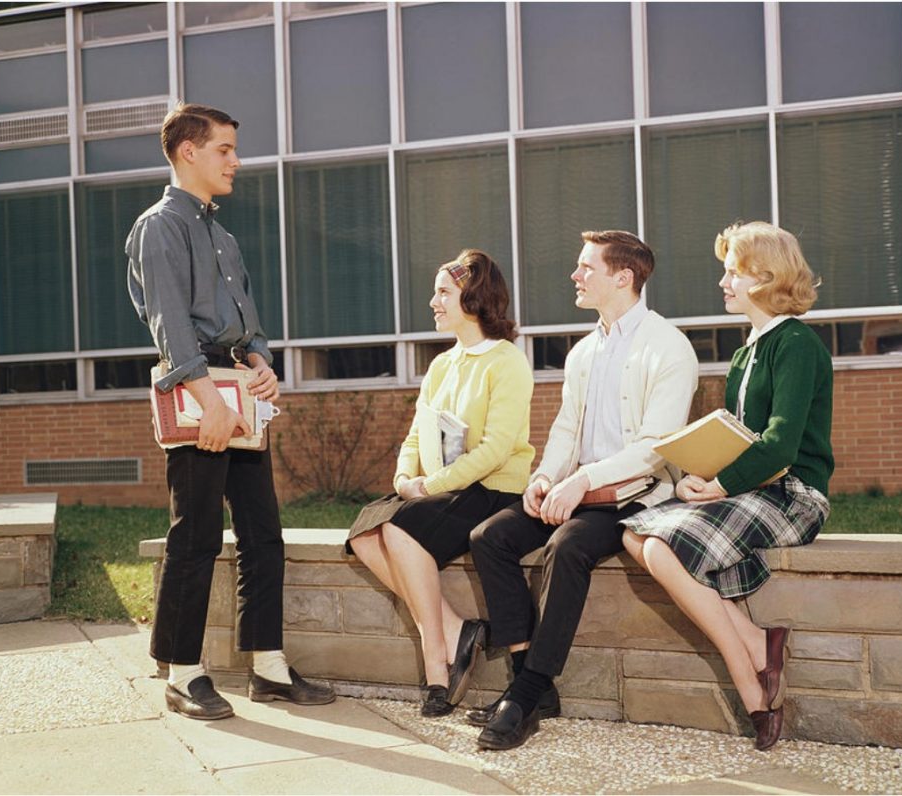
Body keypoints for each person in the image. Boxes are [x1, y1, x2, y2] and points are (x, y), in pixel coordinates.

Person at [127, 102, 335, 720]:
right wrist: (211, 401)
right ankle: (183, 672)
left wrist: (264, 361)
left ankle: (267, 666)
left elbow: (249, 323)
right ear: (188, 152)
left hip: (240, 389)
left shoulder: (223, 235)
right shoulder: (160, 227)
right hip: (200, 395)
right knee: (194, 535)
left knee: (262, 532)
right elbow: (170, 325)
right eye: (224, 150)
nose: (235, 162)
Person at [467, 230, 699, 750]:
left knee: (567, 546)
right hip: (577, 487)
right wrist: (546, 478)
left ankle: (523, 695)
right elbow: (567, 431)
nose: (575, 275)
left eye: (585, 267)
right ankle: (534, 685)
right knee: (490, 538)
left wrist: (581, 481)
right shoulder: (584, 351)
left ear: (624, 277)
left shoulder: (669, 347)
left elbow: (655, 448)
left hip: (633, 497)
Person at [620, 221, 834, 752]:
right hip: (748, 492)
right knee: (632, 535)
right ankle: (759, 644)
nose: (723, 282)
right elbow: (739, 439)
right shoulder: (745, 353)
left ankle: (747, 676)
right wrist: (700, 469)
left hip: (794, 496)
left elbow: (781, 446)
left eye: (732, 272)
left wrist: (717, 485)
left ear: (764, 277)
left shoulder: (797, 344)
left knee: (663, 546)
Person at [347, 250, 534, 717]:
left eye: (443, 293)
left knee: (398, 527)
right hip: (445, 488)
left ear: (473, 298)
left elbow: (495, 449)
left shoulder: (506, 361)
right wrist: (405, 476)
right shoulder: (441, 365)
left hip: (494, 488)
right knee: (365, 534)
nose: (433, 302)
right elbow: (415, 434)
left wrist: (429, 487)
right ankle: (455, 630)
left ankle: (437, 663)